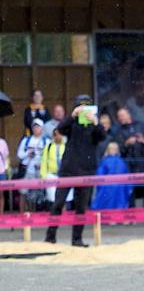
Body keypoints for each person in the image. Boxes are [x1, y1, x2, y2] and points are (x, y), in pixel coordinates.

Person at [44, 95, 105, 246]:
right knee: (58, 204)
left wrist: (95, 121)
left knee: (81, 207)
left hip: (86, 170)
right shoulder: (71, 124)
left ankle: (77, 239)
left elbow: (102, 136)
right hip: (68, 170)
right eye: (81, 106)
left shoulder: (94, 125)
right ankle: (50, 237)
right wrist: (72, 116)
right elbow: (60, 129)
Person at [116, 107, 144, 207]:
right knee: (131, 191)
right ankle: (131, 217)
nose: (120, 118)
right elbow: (118, 149)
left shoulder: (142, 125)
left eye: (122, 115)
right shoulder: (119, 131)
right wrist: (127, 143)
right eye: (119, 116)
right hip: (129, 165)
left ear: (128, 115)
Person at [17, 119, 49, 211]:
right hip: (27, 170)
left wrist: (42, 164)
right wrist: (28, 153)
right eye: (34, 127)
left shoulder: (46, 141)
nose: (36, 129)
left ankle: (41, 215)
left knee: (42, 194)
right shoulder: (26, 140)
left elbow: (49, 157)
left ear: (42, 128)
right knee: (23, 192)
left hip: (40, 172)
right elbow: (19, 155)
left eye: (38, 127)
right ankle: (21, 214)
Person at [90, 142, 132, 211]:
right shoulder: (121, 162)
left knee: (107, 206)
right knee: (119, 205)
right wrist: (128, 188)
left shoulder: (104, 161)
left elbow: (99, 176)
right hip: (120, 189)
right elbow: (127, 177)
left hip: (106, 189)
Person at [40, 127, 67, 209]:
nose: (57, 136)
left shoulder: (66, 146)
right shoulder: (48, 146)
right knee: (52, 198)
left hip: (64, 175)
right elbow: (44, 162)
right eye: (55, 134)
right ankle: (54, 218)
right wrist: (43, 176)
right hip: (51, 175)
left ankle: (64, 217)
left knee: (64, 198)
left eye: (59, 134)